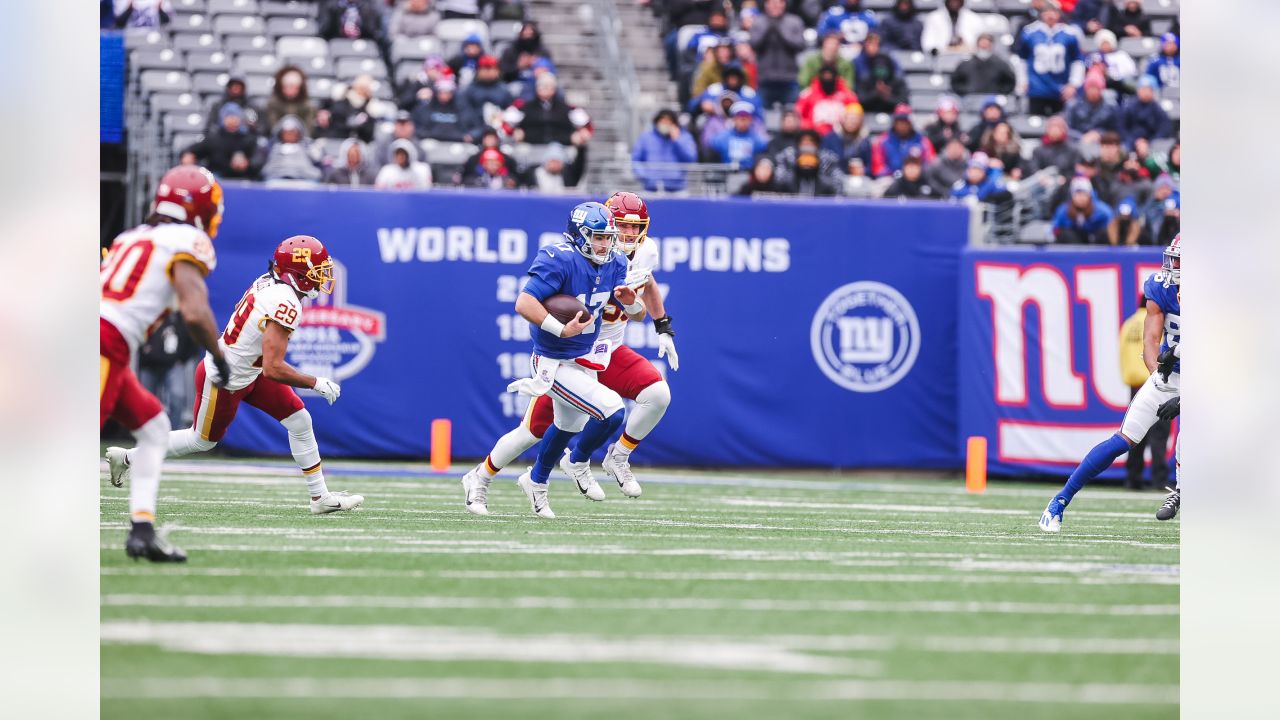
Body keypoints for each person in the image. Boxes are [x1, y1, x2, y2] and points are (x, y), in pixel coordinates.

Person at [108, 236, 364, 518]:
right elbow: (274, 368)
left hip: (249, 371)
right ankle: (128, 457)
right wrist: (315, 382)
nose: (322, 278)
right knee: (200, 441)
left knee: (300, 420)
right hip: (225, 378)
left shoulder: (271, 283)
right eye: (317, 271)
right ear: (297, 274)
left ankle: (320, 497)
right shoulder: (285, 301)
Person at [464, 194, 676, 512]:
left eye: (630, 230)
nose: (622, 238)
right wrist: (560, 328)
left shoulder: (619, 260)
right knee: (537, 429)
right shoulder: (561, 258)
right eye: (615, 231)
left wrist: (659, 323)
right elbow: (525, 302)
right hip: (561, 355)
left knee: (572, 425)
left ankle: (553, 476)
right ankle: (487, 477)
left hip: (600, 350)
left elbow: (640, 296)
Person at [102, 165, 229, 562]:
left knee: (155, 429)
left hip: (109, 343)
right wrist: (220, 357)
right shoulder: (188, 239)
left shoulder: (132, 236)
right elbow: (194, 311)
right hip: (103, 341)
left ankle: (142, 530)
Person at [1040, 235, 1181, 531]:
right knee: (1122, 439)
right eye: (1174, 258)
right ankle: (1060, 501)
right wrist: (1158, 372)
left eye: (1180, 260)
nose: (1173, 265)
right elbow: (1151, 340)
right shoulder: (1162, 287)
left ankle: (1183, 492)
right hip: (1172, 376)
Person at [1017, 1, 1084, 117]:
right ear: (1041, 14)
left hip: (1060, 88)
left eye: (1053, 12)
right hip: (1036, 87)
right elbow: (1022, 59)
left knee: (1060, 125)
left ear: (1059, 14)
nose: (1050, 15)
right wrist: (1023, 81)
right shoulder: (1029, 32)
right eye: (1047, 12)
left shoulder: (1070, 34)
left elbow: (1077, 61)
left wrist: (1073, 84)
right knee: (1035, 123)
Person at [181, 103, 265, 180]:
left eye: (236, 116)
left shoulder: (249, 138)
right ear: (223, 118)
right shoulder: (214, 138)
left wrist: (248, 164)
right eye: (229, 116)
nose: (232, 120)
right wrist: (188, 155)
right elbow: (192, 150)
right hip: (217, 178)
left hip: (244, 179)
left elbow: (259, 159)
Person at [750, 0, 806, 109]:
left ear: (784, 4)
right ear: (766, 5)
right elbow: (754, 45)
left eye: (779, 2)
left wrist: (781, 31)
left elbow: (800, 45)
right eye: (772, 2)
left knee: (791, 117)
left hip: (788, 79)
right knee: (763, 117)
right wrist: (768, 29)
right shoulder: (758, 21)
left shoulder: (794, 21)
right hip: (765, 79)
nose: (775, 6)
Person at [508, 74, 589, 145]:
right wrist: (514, 132)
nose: (544, 88)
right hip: (531, 146)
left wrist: (580, 133)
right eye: (541, 85)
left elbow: (586, 124)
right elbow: (506, 123)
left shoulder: (566, 108)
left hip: (561, 147)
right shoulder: (524, 107)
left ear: (554, 89)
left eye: (548, 85)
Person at [631, 109, 698, 192]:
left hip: (677, 189)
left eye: (668, 122)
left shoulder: (684, 137)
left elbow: (691, 159)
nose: (665, 124)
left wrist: (677, 140)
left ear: (674, 123)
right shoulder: (645, 137)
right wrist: (645, 176)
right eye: (662, 121)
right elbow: (636, 160)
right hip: (650, 188)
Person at [871, 104, 936, 178]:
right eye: (899, 122)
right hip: (889, 180)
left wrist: (915, 174)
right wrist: (894, 174)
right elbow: (878, 168)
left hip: (916, 179)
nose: (902, 126)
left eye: (905, 122)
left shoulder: (923, 141)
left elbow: (930, 165)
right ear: (894, 123)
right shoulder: (882, 141)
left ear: (911, 124)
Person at [773, 129, 842, 197]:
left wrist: (816, 172)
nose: (807, 144)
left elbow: (837, 184)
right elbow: (778, 180)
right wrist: (798, 170)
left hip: (820, 197)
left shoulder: (828, 159)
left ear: (817, 144)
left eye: (811, 141)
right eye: (803, 141)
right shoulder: (787, 156)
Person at [796, 64, 860, 136]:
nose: (827, 77)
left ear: (836, 77)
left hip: (842, 137)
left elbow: (856, 115)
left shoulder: (848, 96)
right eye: (825, 75)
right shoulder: (808, 94)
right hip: (814, 136)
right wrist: (812, 127)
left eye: (830, 75)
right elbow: (799, 117)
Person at [853, 32, 907, 114]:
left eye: (876, 44)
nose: (873, 47)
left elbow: (903, 102)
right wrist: (876, 92)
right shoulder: (864, 77)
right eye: (870, 44)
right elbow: (860, 100)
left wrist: (887, 95)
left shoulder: (896, 80)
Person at [413, 77, 477, 143]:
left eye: (447, 92)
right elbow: (415, 125)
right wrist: (423, 134)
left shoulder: (463, 109)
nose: (443, 96)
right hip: (431, 141)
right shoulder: (425, 108)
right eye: (441, 92)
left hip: (457, 143)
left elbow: (476, 126)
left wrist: (471, 135)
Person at [950, 33, 1017, 96]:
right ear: (977, 45)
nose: (984, 47)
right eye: (982, 46)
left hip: (993, 101)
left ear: (991, 46)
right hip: (971, 99)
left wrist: (999, 92)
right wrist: (966, 91)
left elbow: (1010, 82)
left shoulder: (1001, 64)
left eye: (987, 45)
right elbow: (955, 82)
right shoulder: (965, 64)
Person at [709, 101, 771, 170]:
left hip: (749, 175)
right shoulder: (721, 139)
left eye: (746, 118)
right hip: (726, 174)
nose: (743, 122)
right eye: (740, 118)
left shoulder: (758, 141)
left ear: (751, 120)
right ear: (734, 119)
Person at [318, 74, 380, 143]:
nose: (361, 90)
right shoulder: (341, 95)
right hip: (331, 135)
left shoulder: (369, 108)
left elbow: (368, 135)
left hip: (352, 143)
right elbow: (324, 107)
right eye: (360, 87)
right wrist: (323, 113)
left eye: (365, 88)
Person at [1052, 176, 1114, 243]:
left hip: (1095, 241)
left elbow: (1111, 228)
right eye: (1078, 194)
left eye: (1084, 194)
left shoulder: (1103, 211)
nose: (1081, 198)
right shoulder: (1063, 210)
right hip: (1073, 243)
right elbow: (1055, 228)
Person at [261, 116, 322, 182]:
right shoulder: (273, 147)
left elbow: (317, 159)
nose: (290, 135)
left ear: (299, 133)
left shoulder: (306, 147)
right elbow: (265, 167)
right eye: (287, 132)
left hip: (304, 178)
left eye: (293, 132)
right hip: (276, 178)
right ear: (281, 133)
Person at [462, 55, 514, 131]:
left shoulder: (504, 90)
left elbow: (509, 111)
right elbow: (465, 113)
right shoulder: (470, 90)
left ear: (498, 71)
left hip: (498, 130)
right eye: (485, 68)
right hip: (474, 129)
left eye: (492, 68)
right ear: (478, 70)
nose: (488, 72)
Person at [1119, 75, 1171, 148]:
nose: (1145, 92)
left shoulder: (1158, 109)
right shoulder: (1129, 107)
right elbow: (1122, 128)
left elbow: (1164, 130)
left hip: (1152, 143)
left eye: (1148, 89)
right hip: (1131, 142)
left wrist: (1149, 142)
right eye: (1143, 89)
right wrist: (1135, 142)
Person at [1064, 74, 1119, 140]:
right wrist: (1082, 137)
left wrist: (1099, 134)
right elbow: (1066, 129)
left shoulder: (1111, 107)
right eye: (1090, 87)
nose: (1093, 91)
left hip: (1102, 143)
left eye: (1096, 88)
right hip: (1076, 143)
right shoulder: (1072, 105)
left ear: (1101, 89)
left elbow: (1116, 130)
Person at [266, 66, 318, 136]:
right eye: (286, 86)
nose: (290, 90)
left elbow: (308, 130)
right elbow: (273, 127)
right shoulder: (273, 104)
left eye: (293, 87)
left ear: (299, 88)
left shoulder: (307, 106)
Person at [1085, 29, 1137, 97]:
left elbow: (1131, 70)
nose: (1105, 46)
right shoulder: (1095, 56)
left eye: (1107, 43)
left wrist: (1119, 76)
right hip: (1105, 84)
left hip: (1122, 82)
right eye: (1103, 43)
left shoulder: (1121, 55)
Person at [821, 103, 872, 170]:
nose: (852, 122)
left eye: (856, 119)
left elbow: (869, 166)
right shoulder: (830, 139)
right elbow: (823, 162)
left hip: (856, 178)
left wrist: (863, 170)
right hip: (833, 176)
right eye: (849, 118)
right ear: (843, 119)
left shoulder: (864, 142)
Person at [320, 0, 384, 41]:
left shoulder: (370, 6)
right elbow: (325, 30)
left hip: (363, 43)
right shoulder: (331, 5)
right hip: (337, 42)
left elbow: (373, 32)